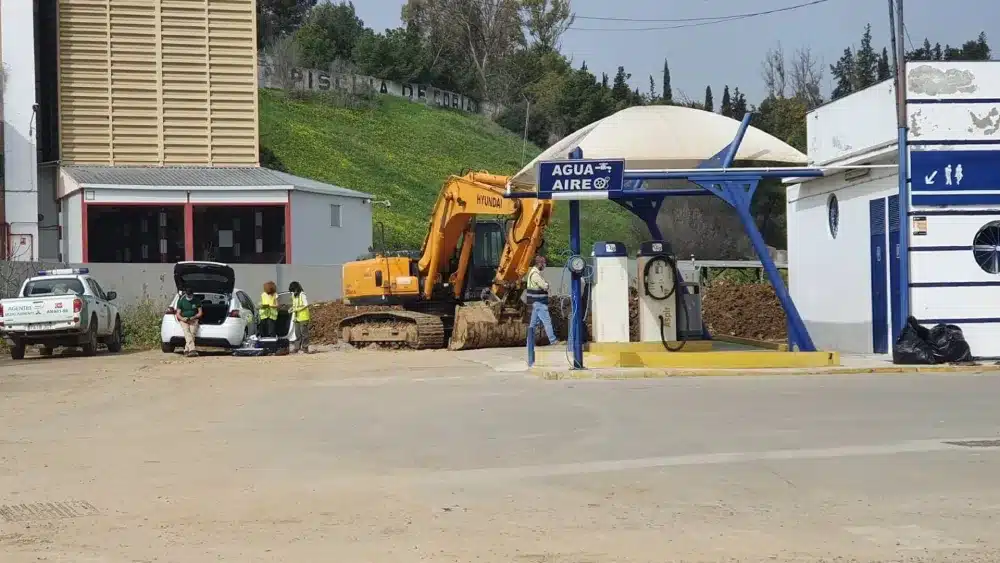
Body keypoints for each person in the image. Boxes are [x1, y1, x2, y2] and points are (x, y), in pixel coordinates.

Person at [525, 255, 559, 345]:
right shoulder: (535, 274)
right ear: (539, 264)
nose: (544, 266)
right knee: (547, 321)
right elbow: (544, 286)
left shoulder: (533, 273)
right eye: (544, 264)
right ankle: (553, 340)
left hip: (535, 303)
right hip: (539, 302)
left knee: (533, 325)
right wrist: (547, 284)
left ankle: (529, 343)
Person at [175, 286, 202, 357]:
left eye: (190, 295)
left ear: (192, 294)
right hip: (184, 320)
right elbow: (178, 314)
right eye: (188, 295)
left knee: (192, 333)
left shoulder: (196, 301)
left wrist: (194, 317)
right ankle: (192, 350)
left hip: (194, 319)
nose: (189, 297)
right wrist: (182, 318)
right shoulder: (181, 301)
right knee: (187, 332)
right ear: (186, 294)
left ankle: (186, 350)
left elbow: (200, 313)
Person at [288, 281, 311, 353]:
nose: (292, 292)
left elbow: (306, 304)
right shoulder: (293, 296)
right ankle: (297, 347)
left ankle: (305, 348)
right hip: (296, 317)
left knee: (304, 333)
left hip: (303, 317)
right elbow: (295, 305)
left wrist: (297, 309)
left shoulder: (302, 294)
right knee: (297, 333)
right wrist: (291, 308)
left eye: (293, 291)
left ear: (296, 289)